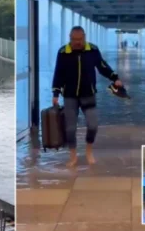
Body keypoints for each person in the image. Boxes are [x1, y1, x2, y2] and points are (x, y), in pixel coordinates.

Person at [52, 26, 123, 168]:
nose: (77, 42)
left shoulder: (92, 50)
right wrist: (56, 93)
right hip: (69, 96)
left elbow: (102, 66)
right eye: (74, 39)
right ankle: (73, 156)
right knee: (70, 128)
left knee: (93, 125)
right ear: (70, 38)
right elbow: (58, 73)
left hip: (88, 94)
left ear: (84, 37)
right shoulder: (63, 52)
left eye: (80, 39)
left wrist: (114, 77)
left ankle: (89, 151)